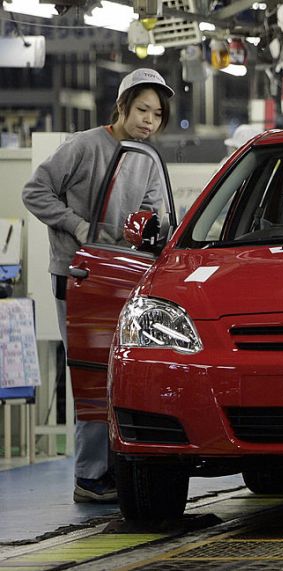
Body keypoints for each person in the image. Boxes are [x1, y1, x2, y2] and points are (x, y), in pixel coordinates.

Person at [21, 68, 173, 503]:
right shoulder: (84, 146)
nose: (149, 120)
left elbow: (150, 212)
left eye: (157, 114)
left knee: (119, 373)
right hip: (79, 274)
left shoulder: (144, 158)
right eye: (142, 109)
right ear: (122, 106)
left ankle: (115, 468)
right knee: (91, 372)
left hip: (122, 274)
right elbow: (36, 191)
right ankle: (90, 476)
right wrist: (79, 227)